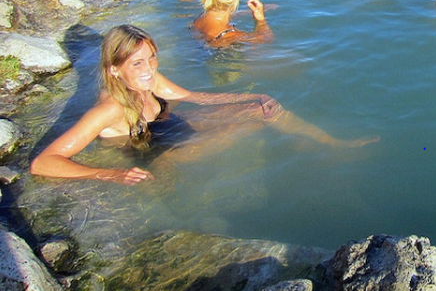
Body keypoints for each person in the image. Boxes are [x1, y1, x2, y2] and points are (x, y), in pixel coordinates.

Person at [30, 25, 376, 185]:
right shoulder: (109, 110)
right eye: (138, 64)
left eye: (152, 58)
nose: (150, 69)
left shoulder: (150, 80)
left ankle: (328, 143)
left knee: (266, 109)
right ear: (114, 70)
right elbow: (44, 163)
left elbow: (197, 97)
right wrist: (110, 173)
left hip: (176, 128)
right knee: (255, 122)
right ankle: (321, 155)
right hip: (165, 155)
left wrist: (254, 96)